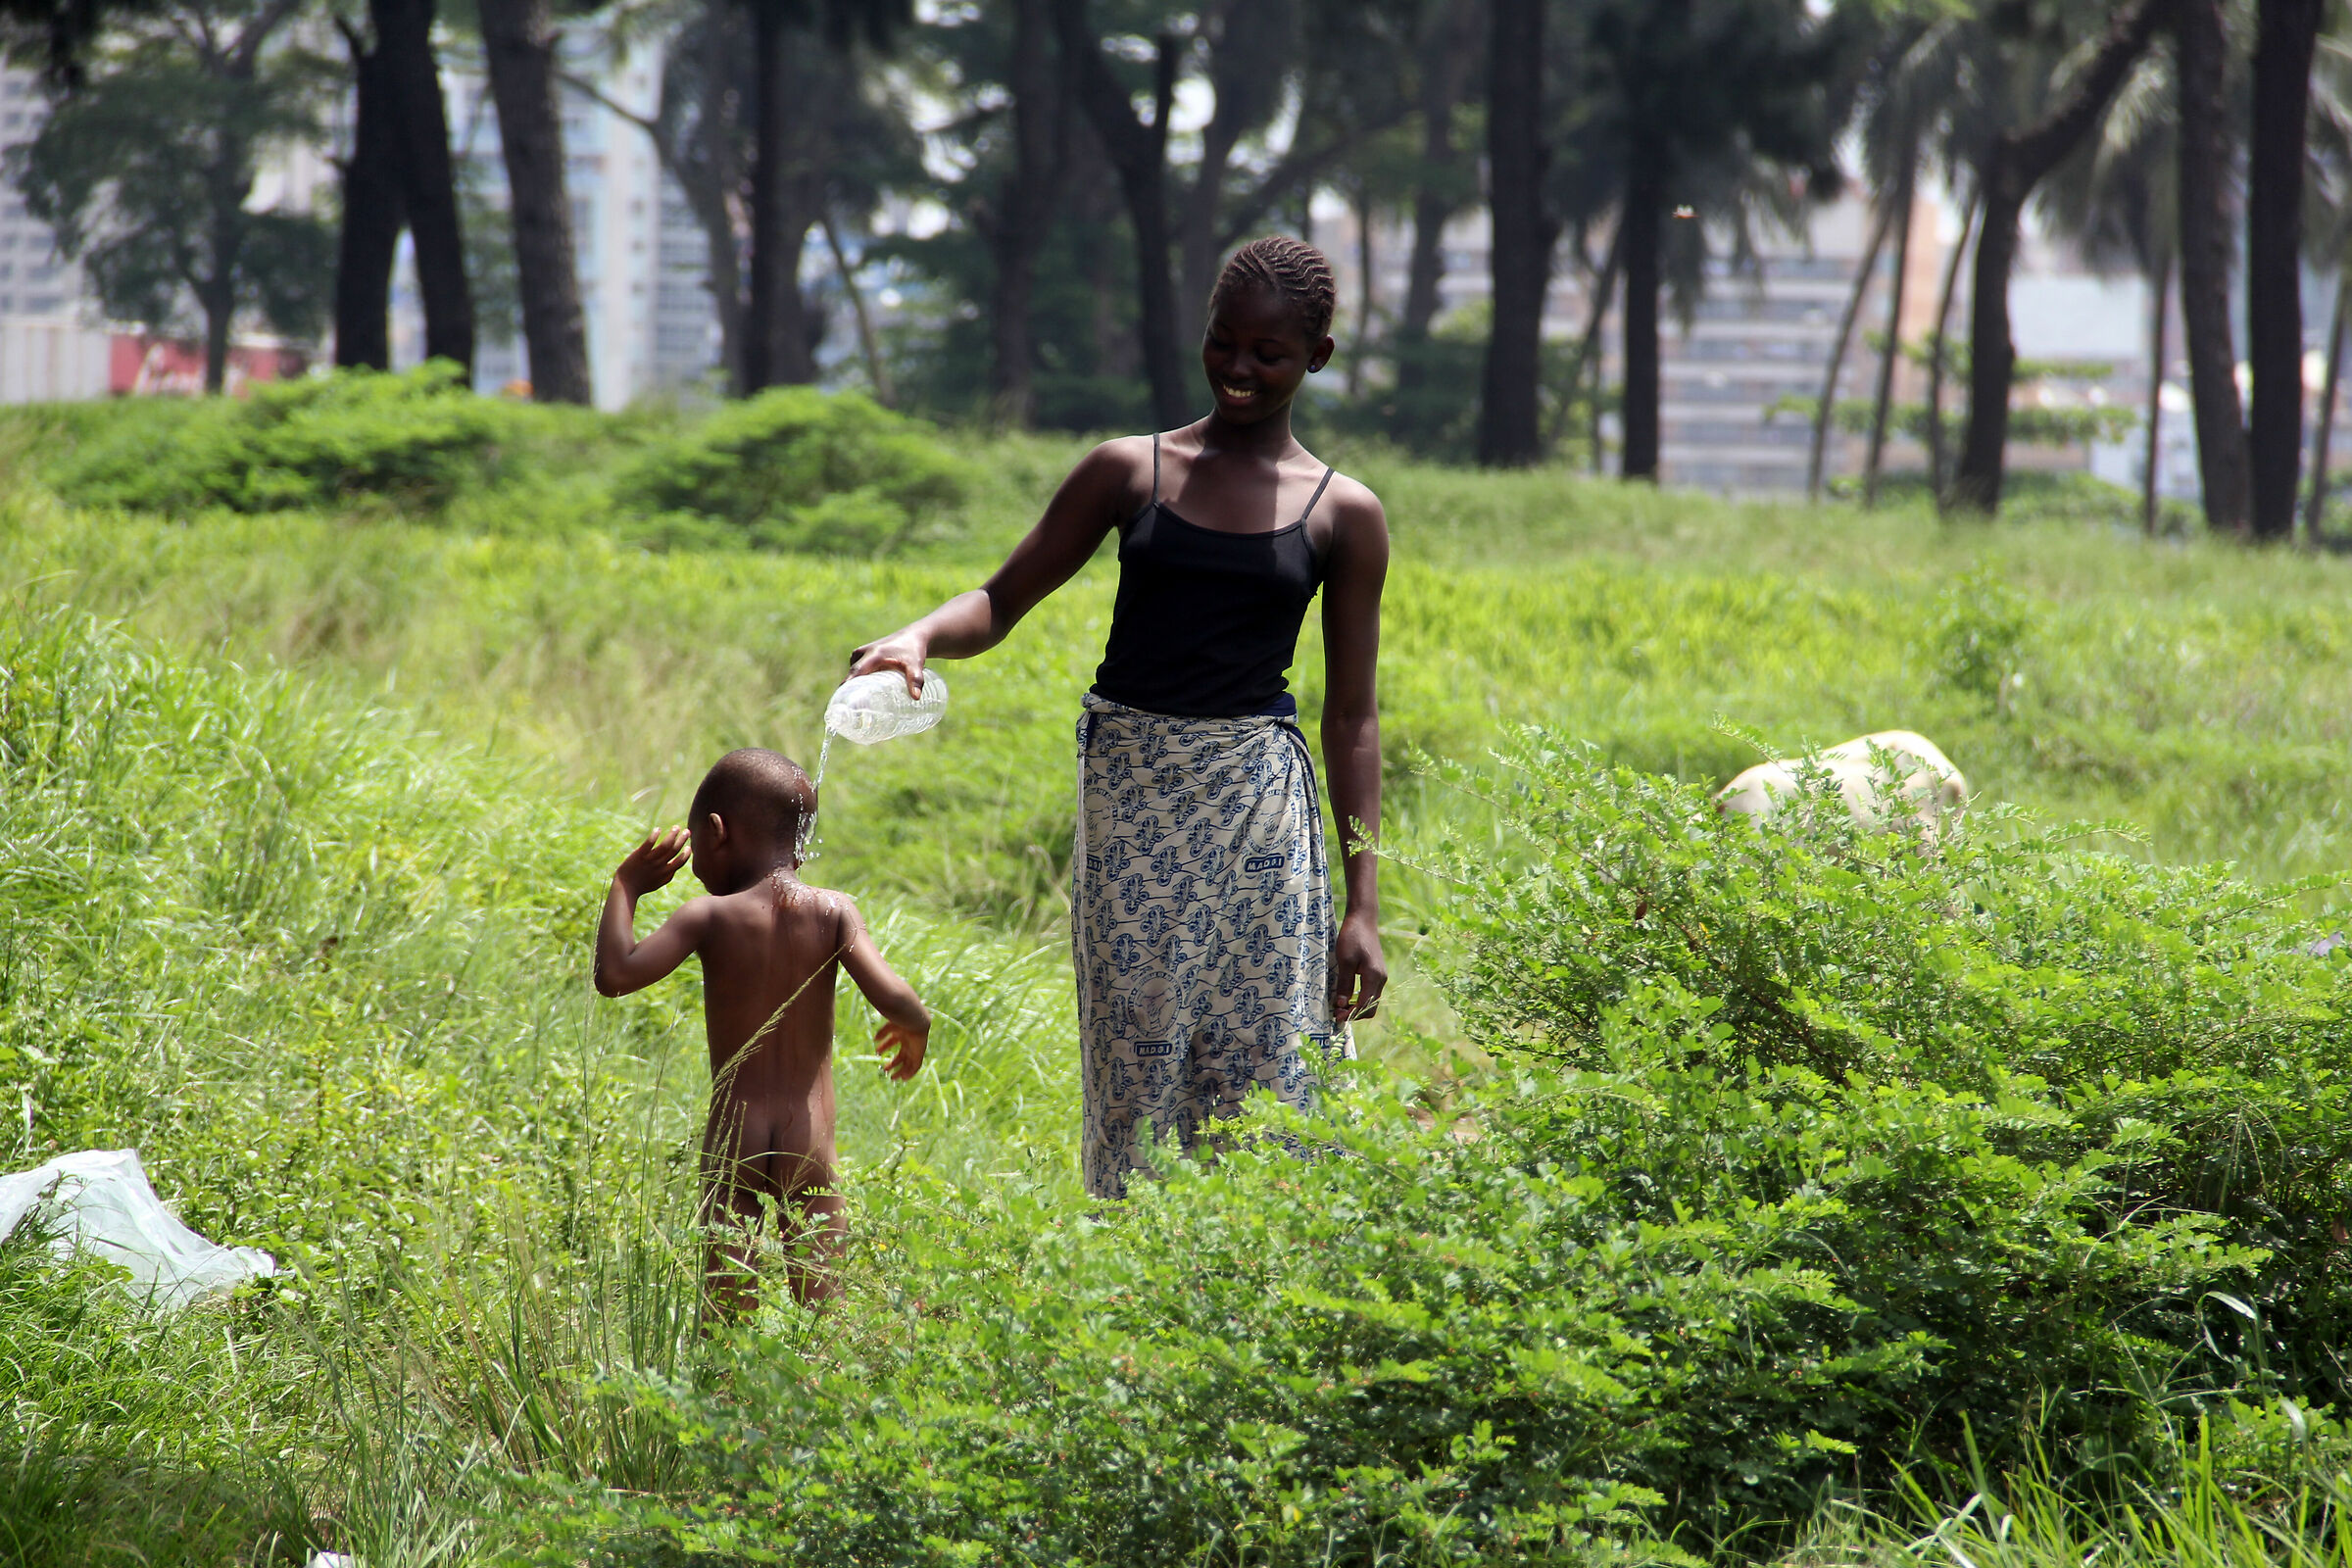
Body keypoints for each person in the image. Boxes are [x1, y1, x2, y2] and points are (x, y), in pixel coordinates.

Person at [850, 236, 1389, 1200]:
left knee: (1268, 1070)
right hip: (1132, 799)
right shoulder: (1129, 473)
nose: (1239, 369)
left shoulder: (1342, 513)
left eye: (1268, 353)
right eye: (1225, 343)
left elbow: (1351, 716)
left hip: (1262, 810)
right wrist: (918, 637)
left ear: (1318, 358)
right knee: (1133, 1069)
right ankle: (1132, 1315)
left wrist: (1363, 905)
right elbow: (998, 601)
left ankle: (1255, 1307)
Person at [593, 747, 929, 1307]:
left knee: (727, 1310)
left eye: (696, 842)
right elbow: (894, 995)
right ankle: (826, 1387)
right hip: (810, 1136)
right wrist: (914, 1025)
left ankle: (724, 1390)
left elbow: (616, 975)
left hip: (736, 1136)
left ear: (717, 832)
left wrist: (626, 885)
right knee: (824, 1310)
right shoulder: (833, 911)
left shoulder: (707, 915)